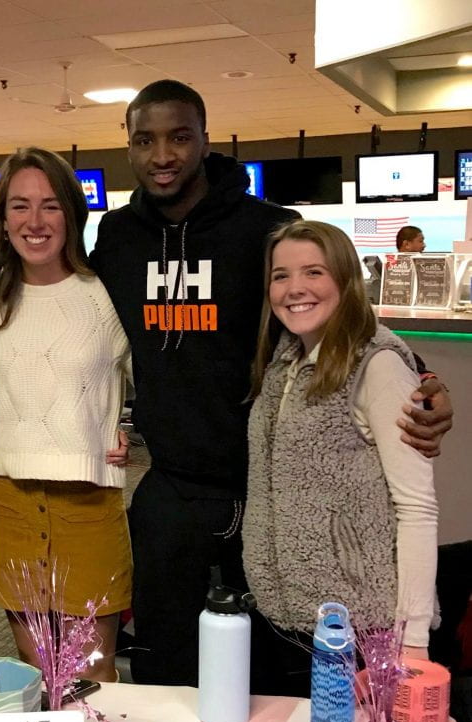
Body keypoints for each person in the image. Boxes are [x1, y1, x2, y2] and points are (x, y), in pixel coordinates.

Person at [91, 78, 453, 686]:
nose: (162, 156)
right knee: (170, 670)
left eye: (180, 137)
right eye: (144, 140)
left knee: (270, 682)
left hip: (266, 495)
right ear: (127, 147)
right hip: (172, 492)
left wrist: (420, 375)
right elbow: (85, 333)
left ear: (206, 140)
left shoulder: (265, 227)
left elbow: (335, 315)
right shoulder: (117, 236)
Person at [243, 220, 437, 693]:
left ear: (346, 280)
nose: (295, 289)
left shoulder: (379, 365)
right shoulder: (284, 362)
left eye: (314, 272)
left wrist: (412, 642)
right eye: (281, 275)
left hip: (360, 630)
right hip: (287, 615)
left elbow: (417, 508)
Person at [0, 147, 132, 682]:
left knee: (90, 675)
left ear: (72, 213)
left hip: (88, 501)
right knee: (40, 672)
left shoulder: (106, 294)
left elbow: (158, 385)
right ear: (2, 218)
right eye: (20, 206)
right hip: (13, 501)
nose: (35, 222)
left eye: (50, 206)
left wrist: (130, 429)